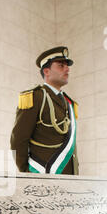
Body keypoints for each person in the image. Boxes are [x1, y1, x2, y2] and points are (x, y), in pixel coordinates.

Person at [10, 46, 79, 175]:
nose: (67, 69)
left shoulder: (69, 103)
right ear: (46, 71)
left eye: (67, 66)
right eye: (61, 65)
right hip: (42, 175)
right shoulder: (35, 97)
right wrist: (27, 172)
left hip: (69, 177)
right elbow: (18, 140)